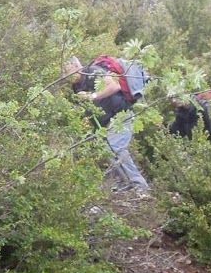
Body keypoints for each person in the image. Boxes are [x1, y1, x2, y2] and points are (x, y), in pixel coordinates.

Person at [64, 56, 150, 192]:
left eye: (66, 71)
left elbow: (114, 86)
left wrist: (91, 96)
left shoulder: (93, 72)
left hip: (121, 114)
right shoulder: (76, 85)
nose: (65, 76)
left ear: (75, 66)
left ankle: (140, 185)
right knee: (107, 149)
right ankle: (126, 183)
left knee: (115, 147)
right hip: (106, 121)